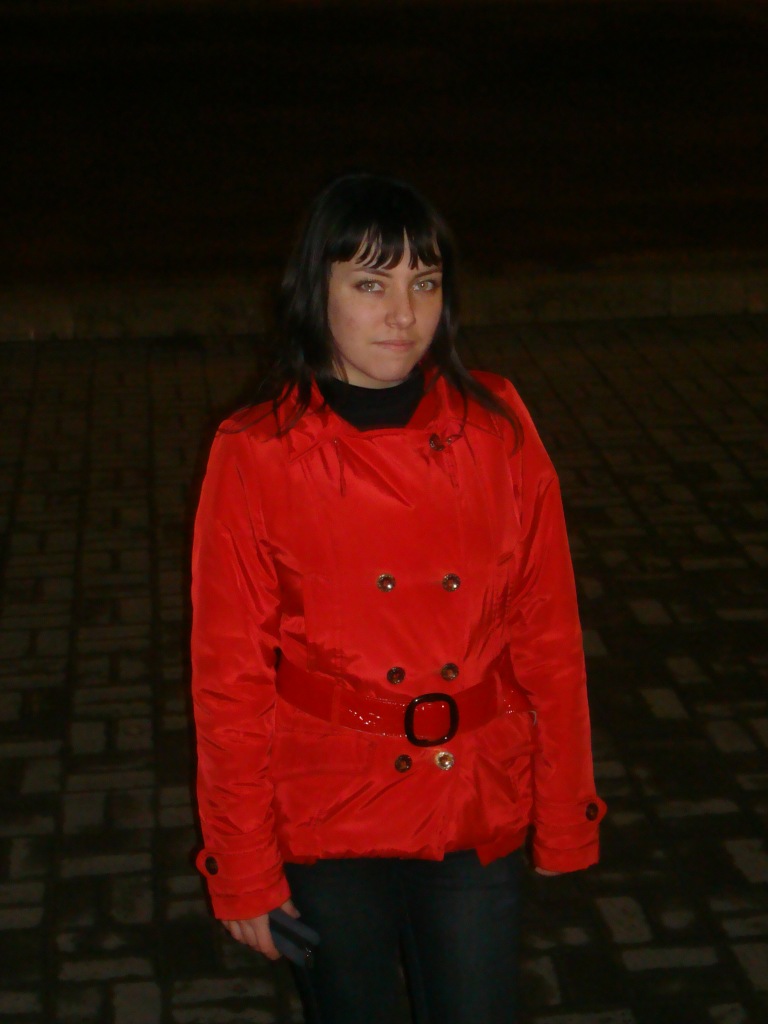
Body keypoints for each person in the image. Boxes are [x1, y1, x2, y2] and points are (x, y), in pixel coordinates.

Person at [190, 172, 606, 1024]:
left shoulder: (498, 428)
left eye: (425, 282)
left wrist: (565, 811)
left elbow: (550, 635)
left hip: (469, 797)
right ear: (316, 292)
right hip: (324, 808)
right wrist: (242, 865)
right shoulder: (256, 450)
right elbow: (228, 679)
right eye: (371, 284)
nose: (404, 314)